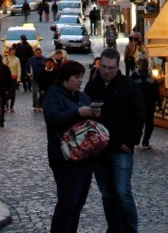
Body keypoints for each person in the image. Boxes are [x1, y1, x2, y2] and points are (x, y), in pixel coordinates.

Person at [85, 48, 144, 233]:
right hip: (99, 150)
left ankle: (130, 230)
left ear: (118, 66)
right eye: (103, 67)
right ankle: (114, 229)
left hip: (121, 149)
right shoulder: (92, 87)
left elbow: (139, 114)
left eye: (110, 67)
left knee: (122, 193)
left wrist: (130, 142)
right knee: (107, 195)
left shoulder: (128, 86)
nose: (106, 71)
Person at [43, 60, 100, 233]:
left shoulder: (82, 96)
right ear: (65, 79)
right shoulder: (53, 95)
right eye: (76, 77)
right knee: (67, 203)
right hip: (64, 157)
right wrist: (77, 112)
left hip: (84, 156)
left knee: (78, 203)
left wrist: (95, 113)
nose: (80, 81)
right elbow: (52, 119)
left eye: (81, 77)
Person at [130, 56, 160, 149]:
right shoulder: (134, 76)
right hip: (139, 103)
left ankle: (146, 141)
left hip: (150, 102)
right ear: (139, 64)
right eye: (143, 63)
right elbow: (129, 89)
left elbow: (156, 88)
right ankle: (136, 139)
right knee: (139, 122)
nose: (145, 65)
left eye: (146, 63)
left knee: (150, 123)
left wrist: (158, 101)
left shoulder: (151, 75)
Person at [27, 45, 48, 112]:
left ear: (41, 53)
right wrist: (29, 74)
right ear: (34, 53)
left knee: (42, 93)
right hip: (34, 78)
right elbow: (27, 69)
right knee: (35, 92)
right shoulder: (31, 60)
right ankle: (35, 105)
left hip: (43, 79)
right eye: (37, 53)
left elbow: (48, 68)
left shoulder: (45, 59)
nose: (38, 54)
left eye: (39, 53)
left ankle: (41, 105)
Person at [4, 44, 21, 112]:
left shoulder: (17, 59)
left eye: (14, 51)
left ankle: (11, 107)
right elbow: (2, 68)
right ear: (9, 52)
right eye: (11, 51)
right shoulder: (5, 59)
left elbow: (19, 69)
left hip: (14, 78)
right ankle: (6, 105)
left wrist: (18, 78)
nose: (12, 52)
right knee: (6, 92)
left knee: (13, 93)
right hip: (6, 78)